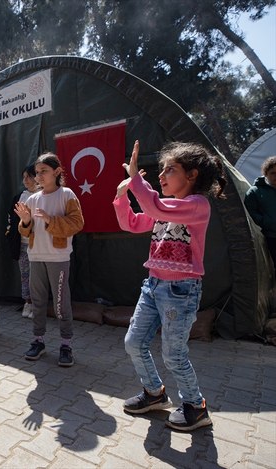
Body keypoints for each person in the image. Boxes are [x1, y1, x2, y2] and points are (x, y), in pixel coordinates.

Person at [114, 140, 226, 431]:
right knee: (133, 343)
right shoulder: (163, 209)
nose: (161, 175)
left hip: (181, 292)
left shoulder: (197, 206)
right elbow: (133, 223)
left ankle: (195, 406)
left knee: (173, 355)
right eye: (161, 170)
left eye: (170, 169)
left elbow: (155, 206)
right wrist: (121, 197)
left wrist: (138, 178)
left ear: (192, 176)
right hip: (153, 286)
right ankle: (154, 393)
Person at [15, 154, 84, 366]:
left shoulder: (67, 194)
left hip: (58, 258)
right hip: (35, 257)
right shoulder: (32, 198)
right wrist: (25, 222)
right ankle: (38, 341)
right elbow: (25, 233)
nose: (39, 176)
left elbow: (77, 223)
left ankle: (66, 345)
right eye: (37, 172)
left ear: (57, 171)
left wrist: (49, 220)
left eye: (44, 171)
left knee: (61, 303)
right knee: (37, 302)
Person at [6, 165, 39, 318]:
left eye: (29, 176)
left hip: (40, 244)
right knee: (25, 274)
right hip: (22, 243)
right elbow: (11, 220)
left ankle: (39, 305)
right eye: (24, 177)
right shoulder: (20, 196)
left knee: (38, 276)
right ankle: (28, 303)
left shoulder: (44, 195)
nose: (25, 180)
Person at [244, 156, 276, 278]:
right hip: (272, 236)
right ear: (266, 174)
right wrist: (268, 223)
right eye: (273, 173)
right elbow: (252, 213)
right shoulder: (255, 192)